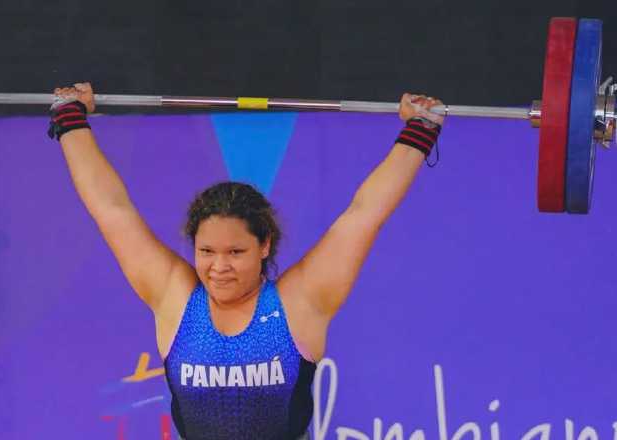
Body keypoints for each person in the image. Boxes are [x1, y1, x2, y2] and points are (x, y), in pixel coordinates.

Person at [49, 83, 443, 440]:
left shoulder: (299, 302)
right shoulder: (175, 296)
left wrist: (419, 130)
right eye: (206, 252)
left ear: (264, 246)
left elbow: (363, 215)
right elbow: (112, 210)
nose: (219, 267)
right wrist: (70, 118)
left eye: (235, 252)